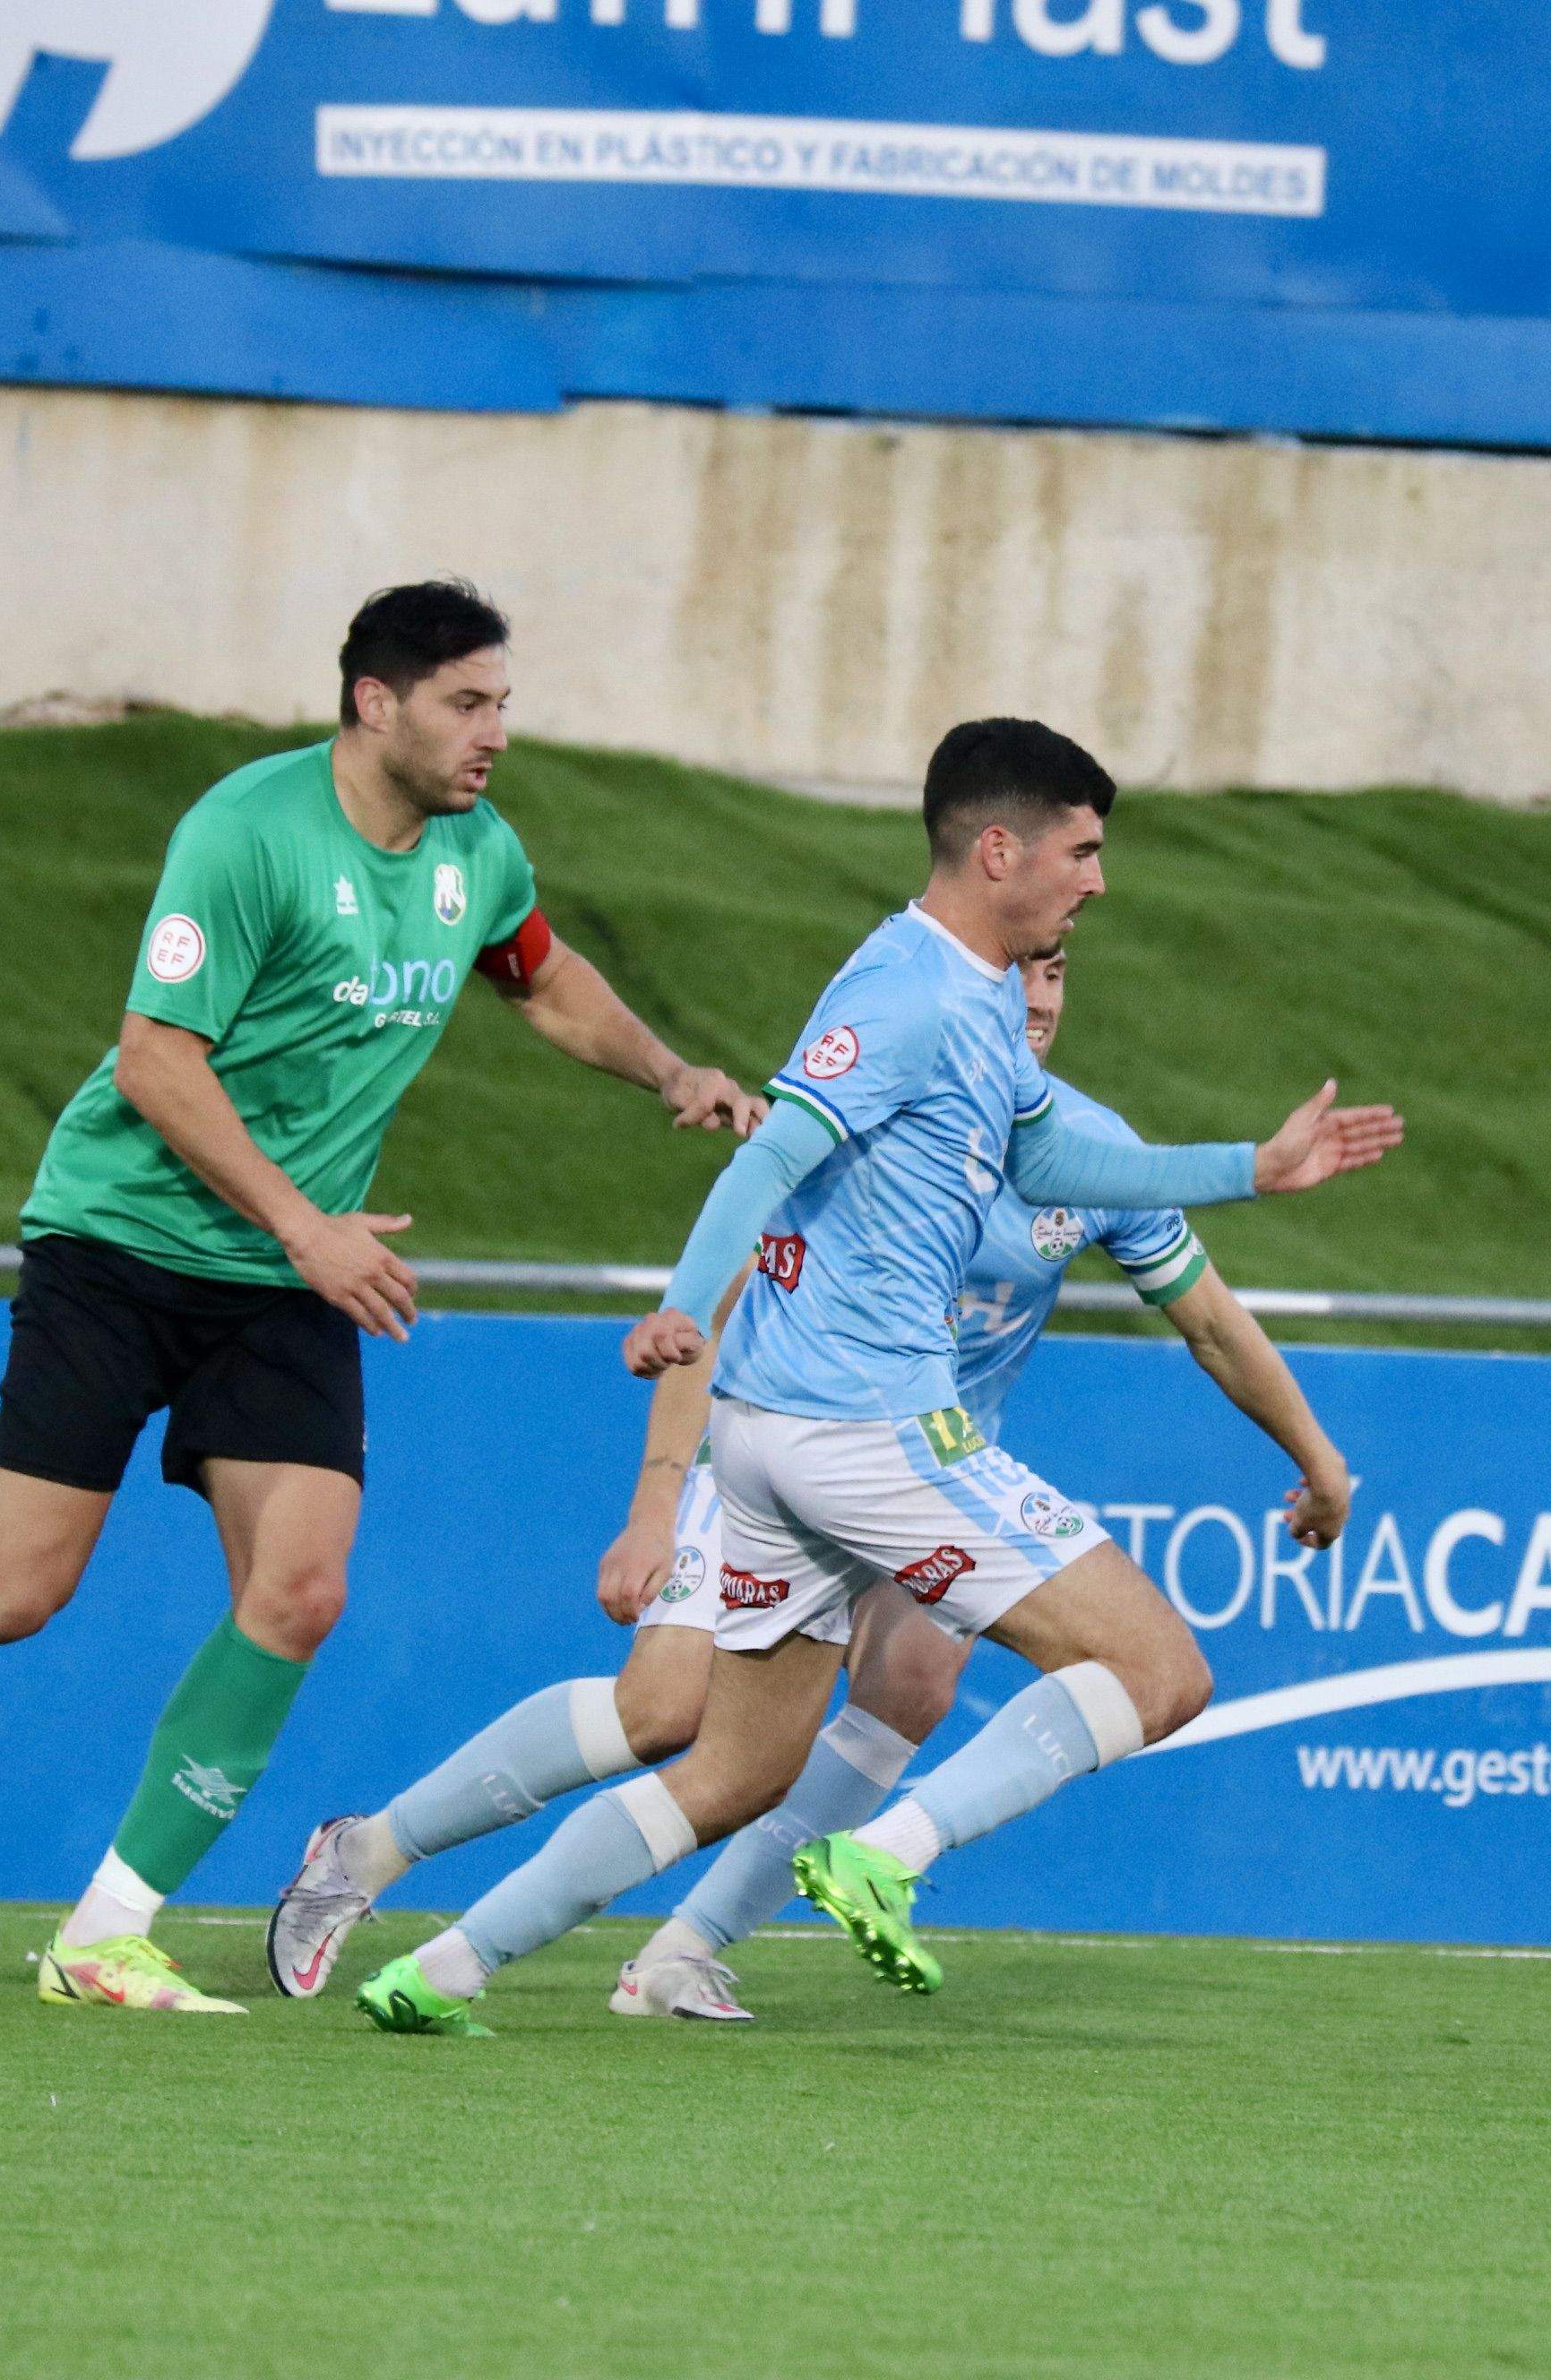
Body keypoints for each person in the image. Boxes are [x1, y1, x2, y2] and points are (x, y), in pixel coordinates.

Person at [0, 580, 764, 2014]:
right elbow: (154, 1062)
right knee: (10, 1593)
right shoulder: (248, 833)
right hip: (123, 1243)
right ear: (378, 703)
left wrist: (668, 1071)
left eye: (504, 706)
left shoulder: (475, 851)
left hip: (289, 1272)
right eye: (468, 704)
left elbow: (538, 978)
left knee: (299, 1594)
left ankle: (104, 1933)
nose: (495, 736)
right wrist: (306, 1229)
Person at [354, 715, 1400, 2036]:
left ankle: (445, 1966)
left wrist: (1249, 1168)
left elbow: (1063, 1166)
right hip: (869, 1429)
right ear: (1001, 848)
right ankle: (884, 1856)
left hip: (776, 1441)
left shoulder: (968, 1000)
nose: (1096, 882)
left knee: (733, 1765)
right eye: (1081, 853)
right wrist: (682, 1306)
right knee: (1162, 1671)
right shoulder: (906, 988)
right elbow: (770, 1153)